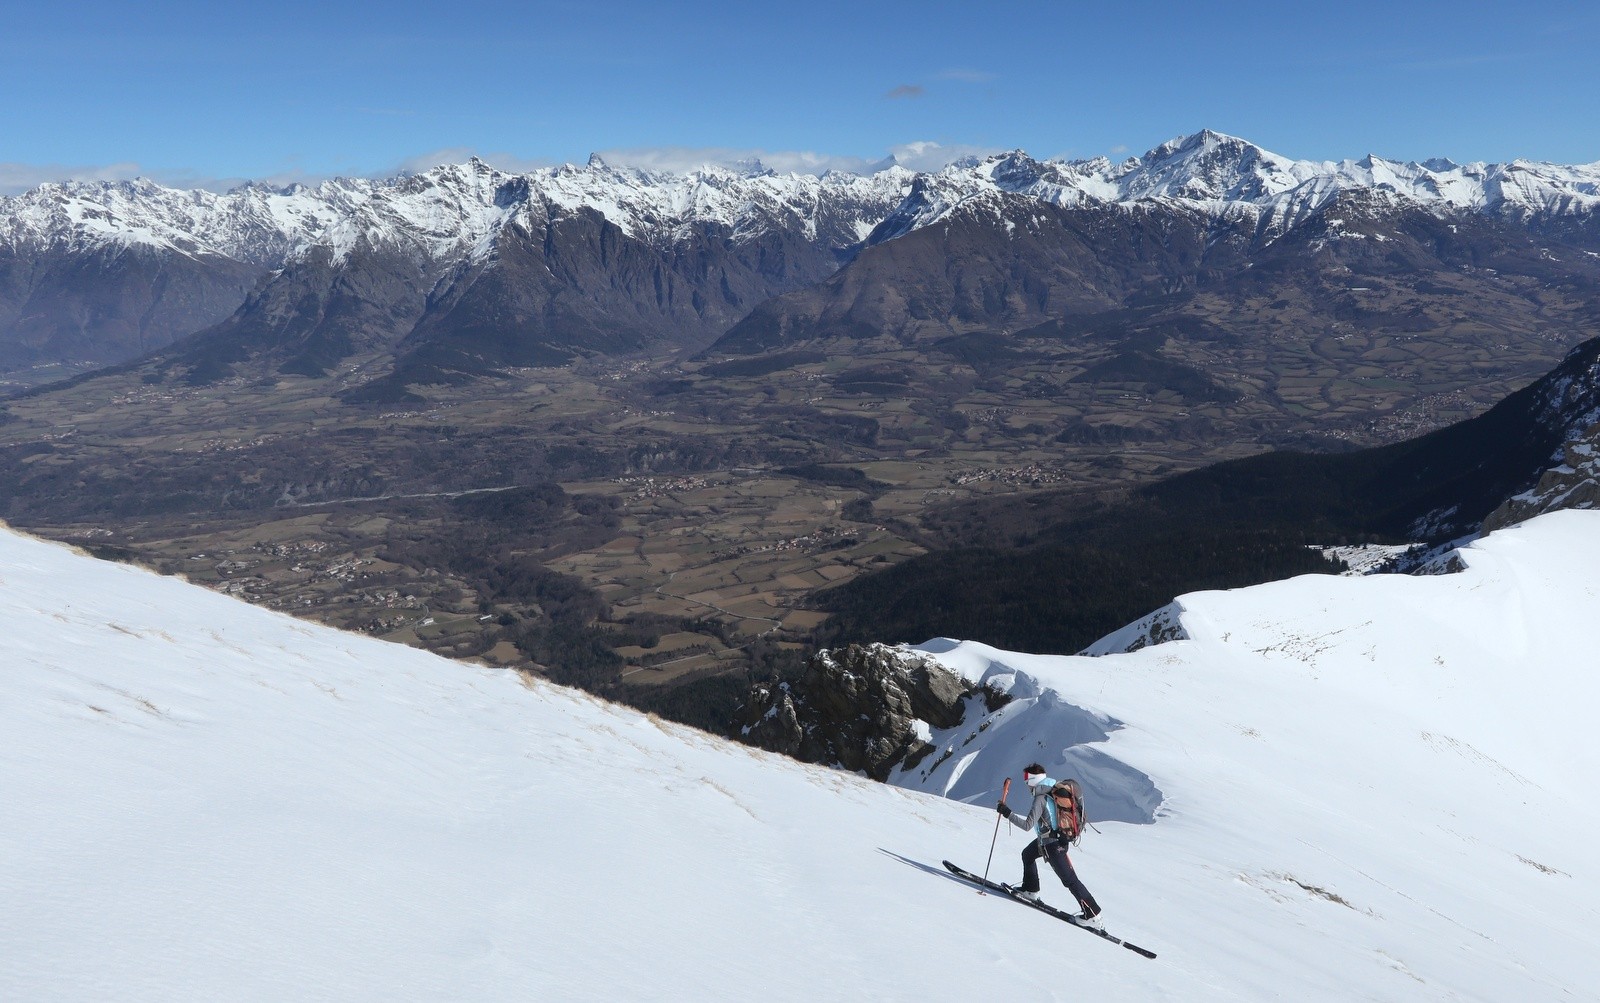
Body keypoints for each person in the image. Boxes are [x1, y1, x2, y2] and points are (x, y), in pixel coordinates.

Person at [997, 762, 1103, 927]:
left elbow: (1027, 826)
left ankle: (1092, 915)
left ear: (1032, 781)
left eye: (1027, 781)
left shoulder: (1041, 798)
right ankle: (1030, 890)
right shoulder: (1054, 791)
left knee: (1070, 880)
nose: (1026, 785)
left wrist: (1007, 813)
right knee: (1028, 854)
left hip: (1052, 845)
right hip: (1053, 840)